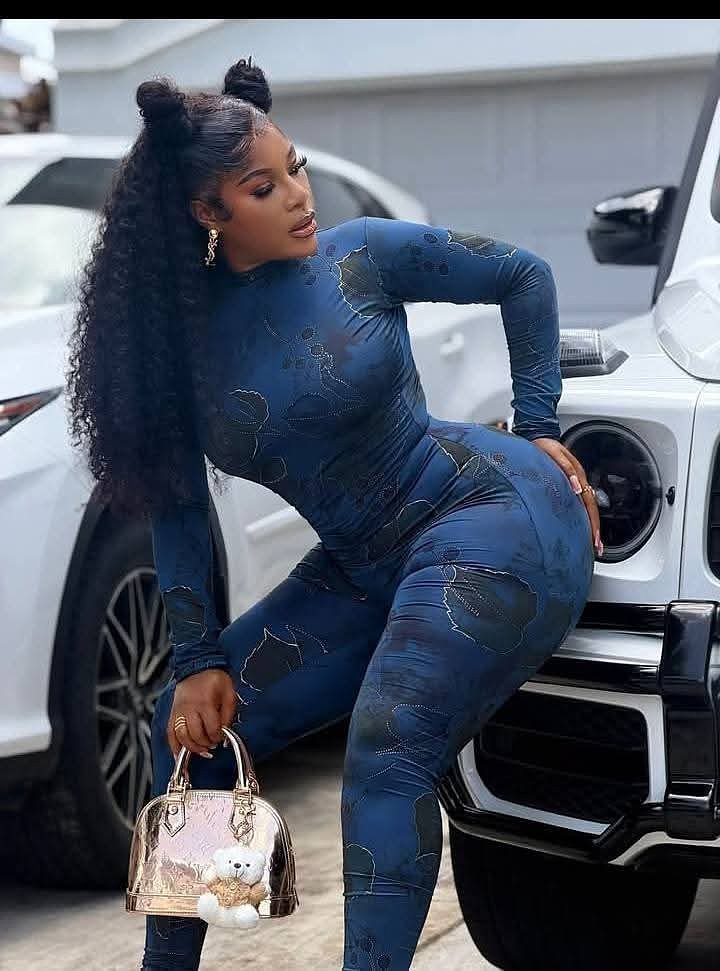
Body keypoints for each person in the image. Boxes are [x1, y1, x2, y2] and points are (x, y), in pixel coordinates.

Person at [67, 56, 601, 971]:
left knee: (386, 754)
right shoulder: (176, 357)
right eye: (264, 187)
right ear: (207, 212)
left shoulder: (359, 256)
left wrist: (541, 425)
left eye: (297, 168)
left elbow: (524, 275)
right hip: (362, 563)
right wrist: (196, 661)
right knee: (192, 735)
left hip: (492, 512)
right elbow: (177, 510)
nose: (298, 195)